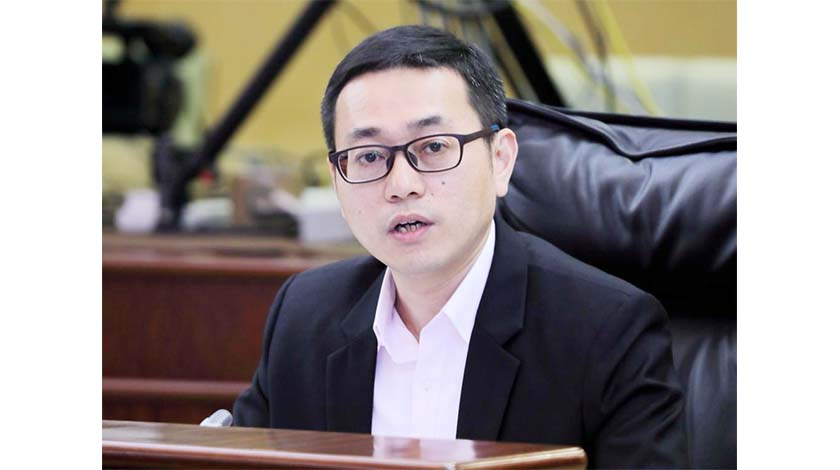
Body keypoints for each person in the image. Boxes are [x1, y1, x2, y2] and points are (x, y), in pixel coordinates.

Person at [233, 25, 687, 468]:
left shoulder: (605, 331)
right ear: (337, 180)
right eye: (369, 156)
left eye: (433, 147)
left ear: (500, 159)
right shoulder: (303, 317)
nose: (402, 185)